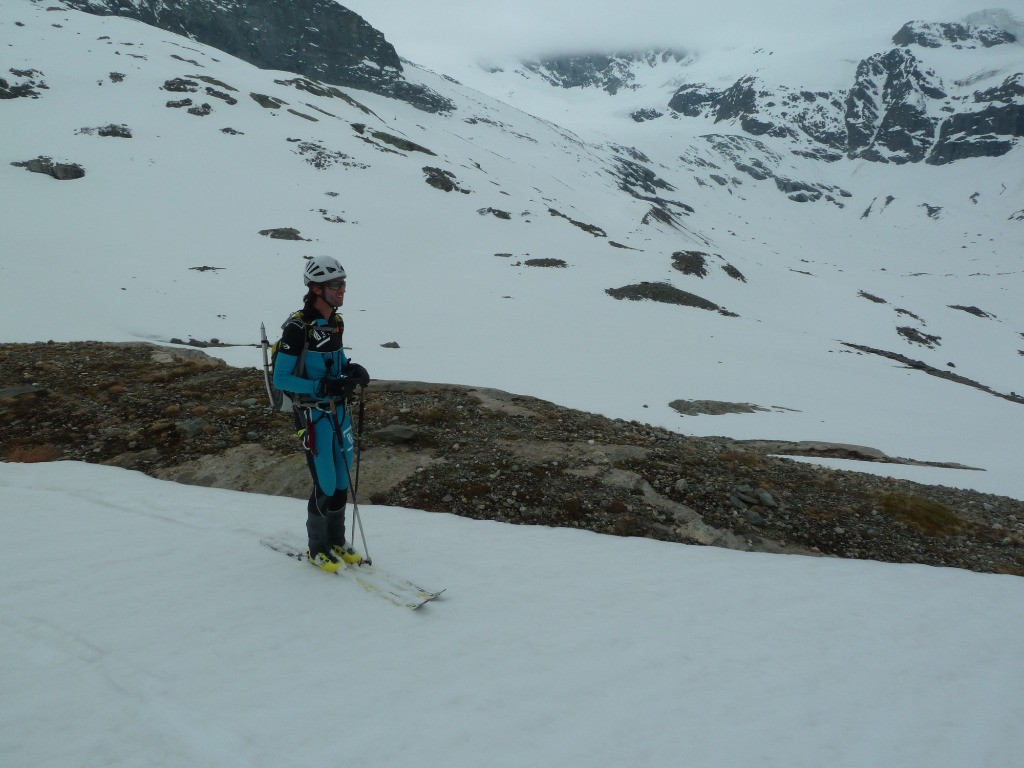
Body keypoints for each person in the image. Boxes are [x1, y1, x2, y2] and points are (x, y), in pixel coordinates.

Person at [272, 255, 370, 572]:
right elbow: (281, 378)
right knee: (326, 482)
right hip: (312, 414)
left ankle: (336, 541)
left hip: (337, 410)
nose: (342, 290)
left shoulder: (335, 323)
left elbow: (337, 361)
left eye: (343, 283)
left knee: (342, 478)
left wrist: (351, 370)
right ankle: (317, 548)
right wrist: (321, 387)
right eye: (335, 285)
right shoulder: (298, 328)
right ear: (316, 288)